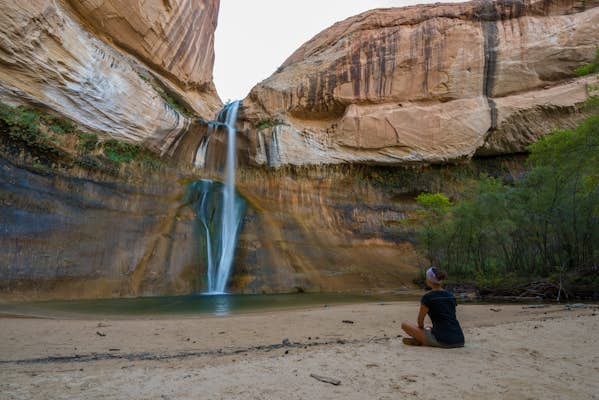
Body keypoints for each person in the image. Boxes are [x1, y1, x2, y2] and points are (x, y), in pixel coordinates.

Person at [401, 267, 465, 348]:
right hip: (459, 339)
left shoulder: (428, 297)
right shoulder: (451, 296)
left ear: (429, 280)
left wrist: (422, 330)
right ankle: (421, 339)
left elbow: (420, 322)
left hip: (443, 341)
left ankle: (421, 340)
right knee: (429, 329)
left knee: (404, 324)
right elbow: (447, 317)